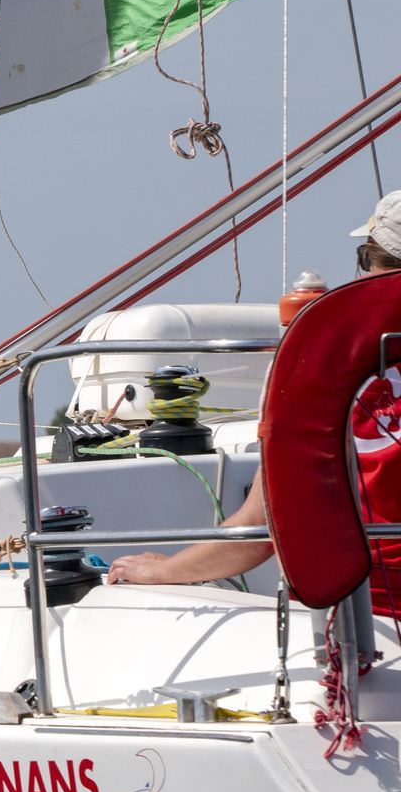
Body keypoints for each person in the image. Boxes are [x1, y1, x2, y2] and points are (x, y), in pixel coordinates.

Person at [108, 190, 401, 613]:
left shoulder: (323, 377)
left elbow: (260, 530)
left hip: (368, 619)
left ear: (370, 266)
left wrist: (164, 569)